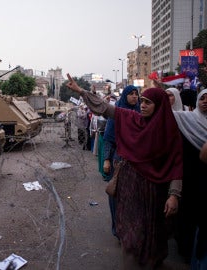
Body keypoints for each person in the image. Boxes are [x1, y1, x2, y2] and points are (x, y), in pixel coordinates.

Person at [66, 73, 183, 269]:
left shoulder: (169, 132)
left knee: (153, 236)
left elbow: (176, 164)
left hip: (155, 192)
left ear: (159, 106)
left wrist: (174, 195)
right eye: (141, 101)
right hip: (130, 188)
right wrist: (82, 92)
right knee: (131, 234)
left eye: (148, 102)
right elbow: (106, 109)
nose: (142, 105)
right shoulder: (132, 119)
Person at [173, 89, 207, 268]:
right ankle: (186, 250)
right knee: (188, 215)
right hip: (189, 175)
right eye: (203, 98)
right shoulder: (187, 119)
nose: (205, 102)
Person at [102, 85, 140, 239]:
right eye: (130, 94)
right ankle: (117, 230)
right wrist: (106, 159)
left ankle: (131, 229)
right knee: (116, 195)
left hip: (136, 161)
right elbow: (109, 138)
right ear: (125, 96)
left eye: (136, 94)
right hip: (118, 160)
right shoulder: (118, 112)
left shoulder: (140, 112)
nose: (134, 97)